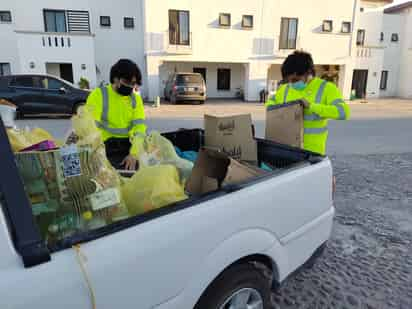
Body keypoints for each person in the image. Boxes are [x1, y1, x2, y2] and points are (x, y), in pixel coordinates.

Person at [265, 51, 350, 155]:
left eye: (295, 79)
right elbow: (271, 103)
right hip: (288, 149)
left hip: (312, 153)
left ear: (308, 72)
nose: (292, 83)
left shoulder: (327, 88)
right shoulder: (285, 88)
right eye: (289, 80)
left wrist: (311, 106)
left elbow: (343, 113)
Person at [86, 59, 146, 170]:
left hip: (128, 147)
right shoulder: (98, 95)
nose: (130, 87)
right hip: (104, 148)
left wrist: (134, 153)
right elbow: (90, 127)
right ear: (116, 79)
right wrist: (97, 154)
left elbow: (139, 128)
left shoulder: (135, 99)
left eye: (133, 83)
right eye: (127, 82)